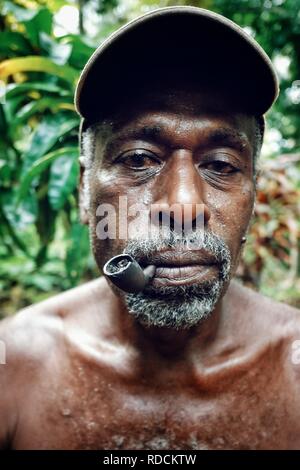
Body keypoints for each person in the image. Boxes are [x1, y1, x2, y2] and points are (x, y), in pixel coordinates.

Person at [0, 6, 299, 450]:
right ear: (85, 190)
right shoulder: (16, 368)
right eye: (139, 159)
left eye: (220, 165)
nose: (183, 205)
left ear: (252, 196)